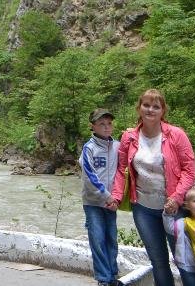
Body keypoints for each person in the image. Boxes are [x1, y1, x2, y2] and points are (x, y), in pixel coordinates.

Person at [108, 89, 195, 286]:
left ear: (163, 110)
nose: (150, 109)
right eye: (146, 105)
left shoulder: (176, 135)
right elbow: (121, 169)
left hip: (174, 208)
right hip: (143, 208)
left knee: (185, 261)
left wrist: (176, 197)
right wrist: (116, 197)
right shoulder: (129, 137)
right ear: (139, 108)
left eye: (156, 106)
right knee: (158, 262)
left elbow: (189, 170)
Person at [80, 108, 121, 286]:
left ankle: (112, 276)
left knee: (111, 238)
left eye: (109, 124)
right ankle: (103, 279)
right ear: (93, 126)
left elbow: (122, 172)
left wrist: (117, 197)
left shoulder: (117, 146)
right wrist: (107, 196)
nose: (106, 127)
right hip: (93, 202)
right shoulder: (89, 148)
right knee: (97, 239)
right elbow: (90, 176)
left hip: (111, 202)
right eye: (101, 124)